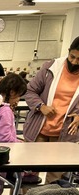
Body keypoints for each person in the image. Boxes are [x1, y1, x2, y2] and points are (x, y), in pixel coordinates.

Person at [23, 36, 79, 184]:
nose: (74, 62)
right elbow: (30, 91)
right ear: (68, 52)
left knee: (55, 179)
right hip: (39, 130)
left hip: (64, 134)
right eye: (72, 56)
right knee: (28, 174)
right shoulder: (50, 67)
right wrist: (41, 106)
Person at [0, 73, 28, 144]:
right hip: (1, 150)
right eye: (19, 95)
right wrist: (20, 143)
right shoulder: (6, 111)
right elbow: (5, 137)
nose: (18, 99)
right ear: (12, 92)